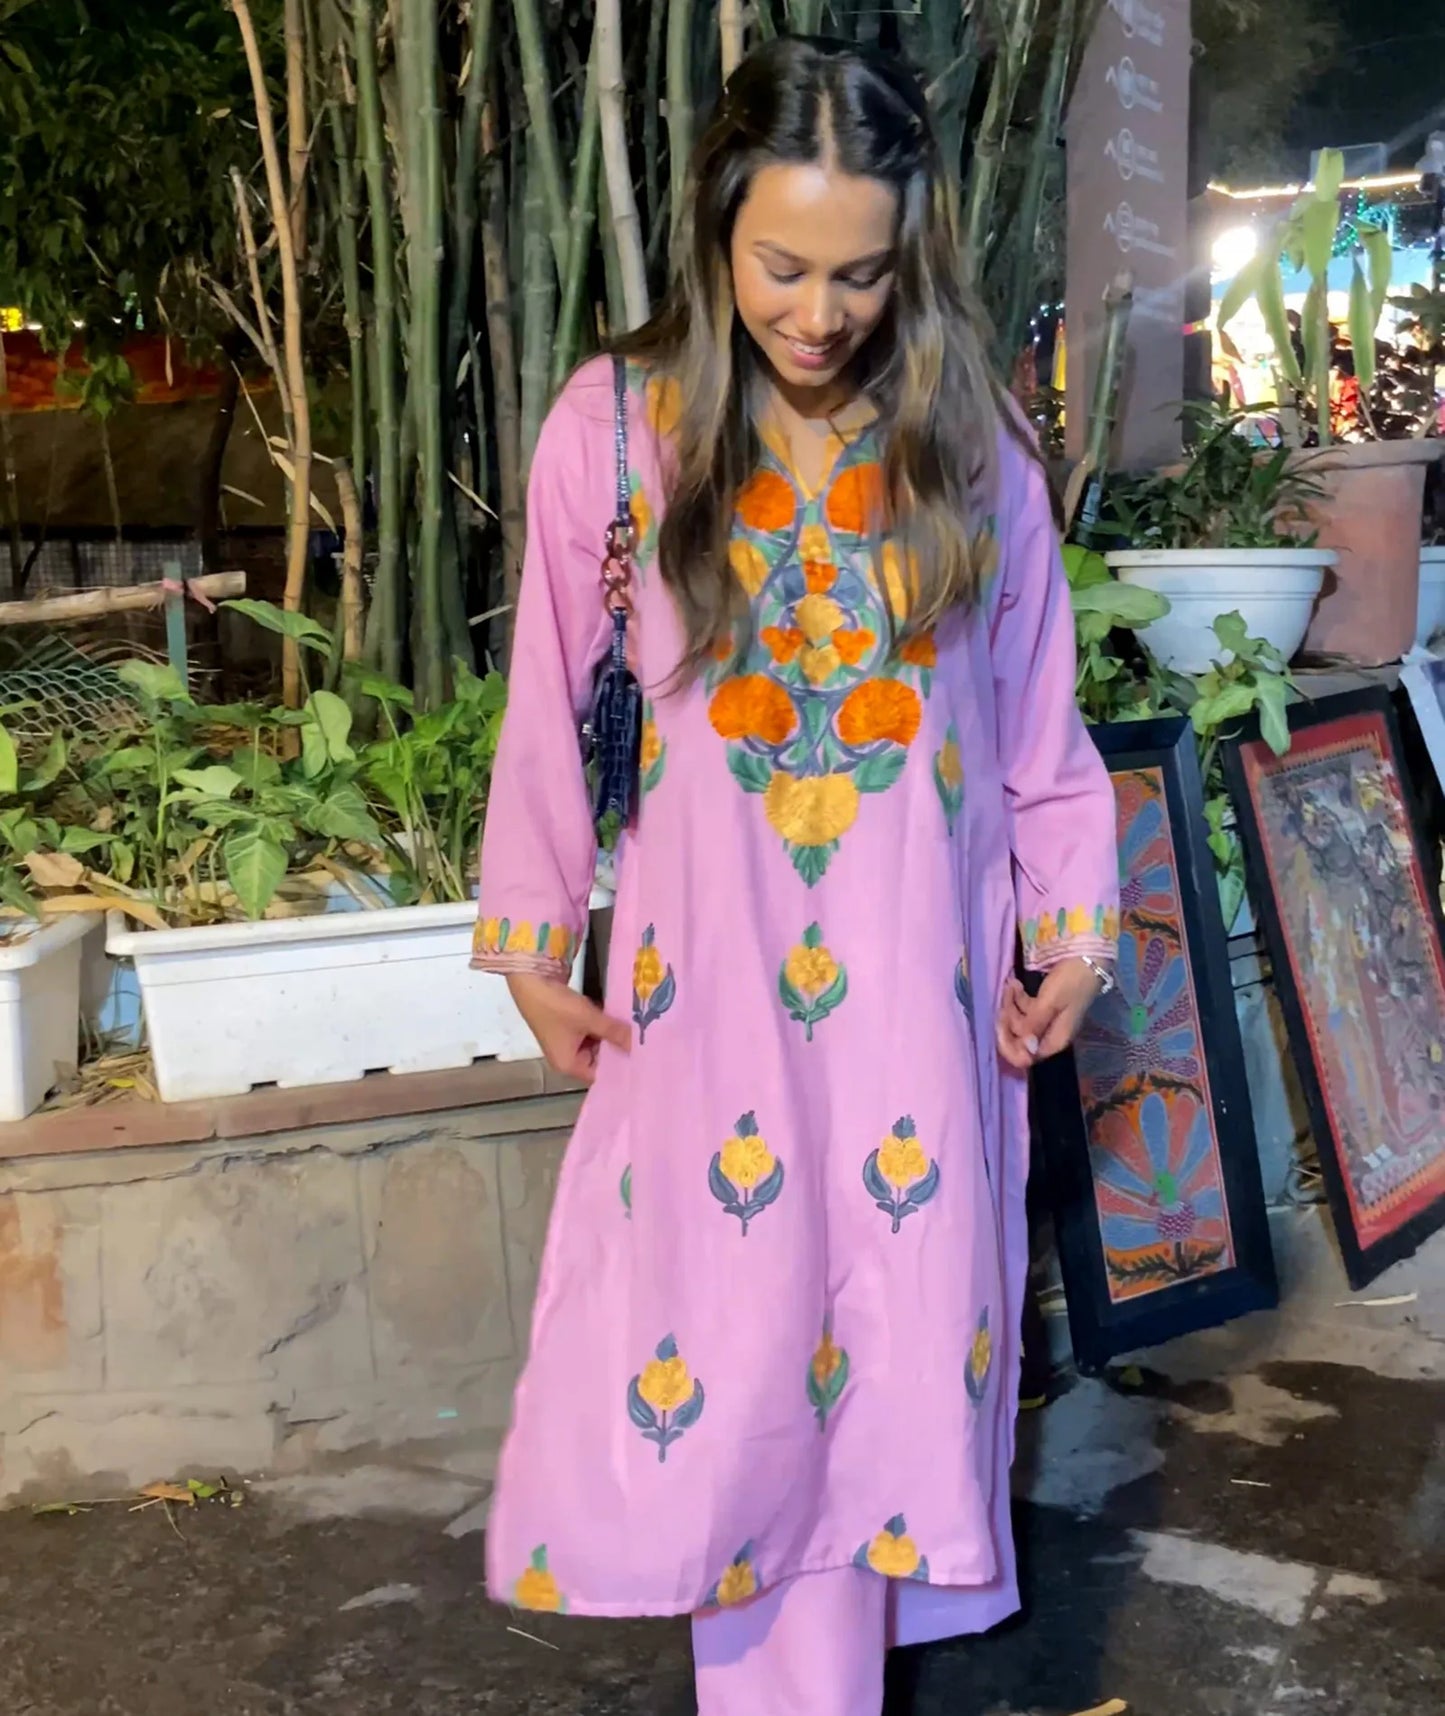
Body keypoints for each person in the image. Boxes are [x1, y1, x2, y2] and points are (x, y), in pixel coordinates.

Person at [471, 36, 1119, 1716]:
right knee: (738, 1351)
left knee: (892, 1336)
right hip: (709, 999)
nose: (817, 314)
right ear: (714, 227)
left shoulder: (969, 441)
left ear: (913, 255)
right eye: (780, 266)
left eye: (859, 274)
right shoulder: (616, 433)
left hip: (918, 989)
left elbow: (1036, 721)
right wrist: (537, 949)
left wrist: (1069, 933)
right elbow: (550, 703)